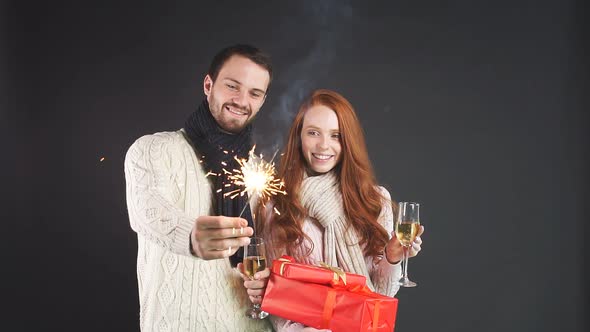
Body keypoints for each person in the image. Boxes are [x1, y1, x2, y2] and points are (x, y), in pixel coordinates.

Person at [124, 44, 273, 331]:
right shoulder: (153, 150)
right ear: (209, 84)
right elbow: (147, 210)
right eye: (232, 86)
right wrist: (189, 235)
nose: (242, 100)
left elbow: (272, 247)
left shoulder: (259, 172)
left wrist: (267, 279)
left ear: (263, 100)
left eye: (254, 93)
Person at [259, 89, 425, 331]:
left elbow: (381, 293)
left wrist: (392, 256)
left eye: (335, 135)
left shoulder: (375, 200)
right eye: (313, 133)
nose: (323, 145)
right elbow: (279, 305)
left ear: (348, 141)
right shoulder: (278, 204)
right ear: (299, 137)